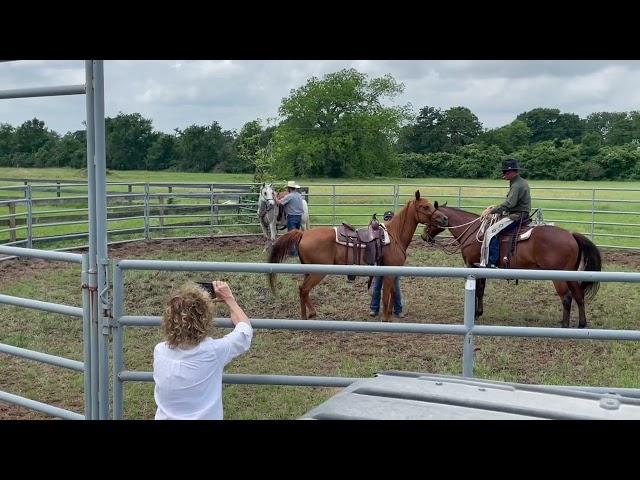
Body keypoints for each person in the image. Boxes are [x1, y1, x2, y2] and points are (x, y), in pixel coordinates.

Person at [153, 280, 252, 420]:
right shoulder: (213, 352)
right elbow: (244, 330)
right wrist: (229, 299)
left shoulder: (159, 352)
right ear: (205, 318)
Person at [475, 159, 531, 268]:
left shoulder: (516, 185)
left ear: (510, 172)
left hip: (516, 216)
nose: (503, 175)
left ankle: (491, 262)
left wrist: (491, 210)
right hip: (521, 213)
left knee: (491, 231)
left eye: (504, 172)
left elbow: (509, 204)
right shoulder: (520, 182)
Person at [369, 210, 405, 318]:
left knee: (395, 287)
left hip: (392, 264)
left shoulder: (396, 234)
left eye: (390, 218)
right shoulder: (379, 234)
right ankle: (374, 308)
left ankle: (397, 309)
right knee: (377, 286)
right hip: (381, 262)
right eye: (387, 218)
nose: (389, 220)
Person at [277, 180, 306, 256]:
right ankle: (298, 250)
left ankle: (293, 252)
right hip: (299, 217)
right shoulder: (299, 195)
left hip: (292, 217)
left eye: (287, 188)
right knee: (296, 234)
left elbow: (280, 203)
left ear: (289, 188)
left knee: (291, 235)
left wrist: (274, 197)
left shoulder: (290, 196)